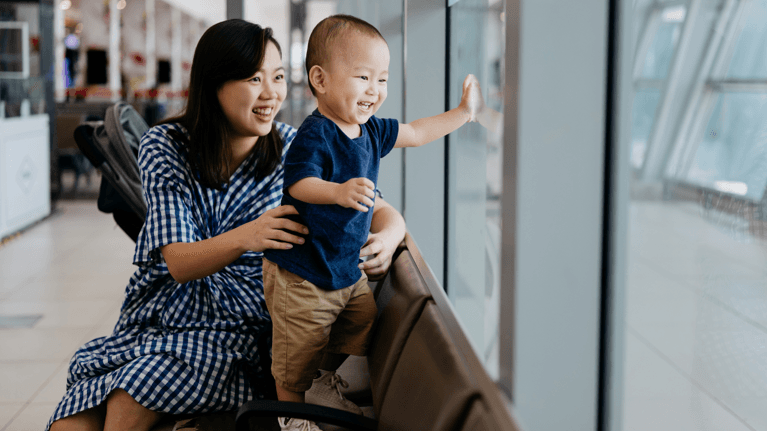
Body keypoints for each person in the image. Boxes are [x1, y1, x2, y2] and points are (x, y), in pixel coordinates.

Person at [47, 19, 406, 431]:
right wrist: (250, 234)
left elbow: (379, 209)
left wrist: (392, 234)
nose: (271, 94)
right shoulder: (166, 146)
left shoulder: (297, 145)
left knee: (129, 401)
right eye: (254, 78)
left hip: (241, 320)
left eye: (277, 76)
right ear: (214, 84)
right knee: (72, 422)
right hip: (162, 309)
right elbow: (178, 262)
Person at [261, 14, 481, 431]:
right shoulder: (315, 133)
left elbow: (415, 132)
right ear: (320, 80)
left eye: (382, 79)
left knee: (360, 324)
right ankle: (290, 419)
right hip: (303, 277)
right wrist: (338, 192)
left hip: (343, 272)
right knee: (293, 358)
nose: (375, 91)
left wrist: (463, 113)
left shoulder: (372, 131)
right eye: (363, 77)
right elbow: (301, 183)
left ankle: (324, 383)